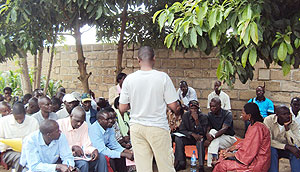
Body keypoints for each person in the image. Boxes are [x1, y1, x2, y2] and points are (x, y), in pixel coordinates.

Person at [119, 46, 181, 172]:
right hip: (158, 127)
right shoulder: (162, 77)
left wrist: (136, 102)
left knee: (143, 167)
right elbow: (174, 106)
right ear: (154, 59)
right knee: (165, 166)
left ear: (138, 60)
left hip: (137, 128)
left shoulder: (129, 79)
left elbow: (122, 108)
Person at [213, 103, 271, 172]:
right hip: (250, 158)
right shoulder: (252, 125)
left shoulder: (257, 128)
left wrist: (232, 155)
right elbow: (247, 141)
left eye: (243, 113)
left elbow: (249, 152)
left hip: (256, 163)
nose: (241, 115)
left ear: (249, 115)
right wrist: (234, 147)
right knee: (223, 155)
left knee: (222, 165)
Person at [57, 106, 108, 172]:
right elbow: (57, 146)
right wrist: (72, 148)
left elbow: (86, 144)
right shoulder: (60, 124)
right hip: (66, 157)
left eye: (81, 121)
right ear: (71, 116)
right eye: (77, 121)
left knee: (101, 157)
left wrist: (93, 150)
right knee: (83, 164)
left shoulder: (84, 125)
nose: (79, 124)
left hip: (81, 156)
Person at [0, 102, 39, 172]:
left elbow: (37, 139)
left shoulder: (33, 121)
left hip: (29, 150)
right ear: (12, 114)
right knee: (21, 158)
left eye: (21, 118)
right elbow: (1, 141)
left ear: (25, 113)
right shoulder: (3, 122)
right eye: (16, 118)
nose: (19, 120)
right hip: (9, 151)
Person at [264, 105, 300, 172]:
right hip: (274, 147)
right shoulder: (268, 120)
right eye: (284, 114)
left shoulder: (293, 124)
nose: (287, 116)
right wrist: (286, 146)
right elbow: (268, 141)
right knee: (271, 151)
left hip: (287, 150)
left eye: (288, 114)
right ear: (277, 115)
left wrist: (287, 129)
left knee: (296, 152)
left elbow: (296, 144)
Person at [174, 100, 208, 172]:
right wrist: (192, 134)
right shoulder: (186, 116)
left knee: (200, 141)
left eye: (195, 109)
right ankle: (181, 162)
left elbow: (203, 131)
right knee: (178, 139)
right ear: (189, 109)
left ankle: (201, 166)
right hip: (189, 137)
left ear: (198, 109)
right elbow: (182, 129)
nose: (194, 110)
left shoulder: (203, 117)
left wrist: (196, 120)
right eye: (192, 108)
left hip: (199, 138)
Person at [206, 97, 236, 167]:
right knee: (213, 133)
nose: (212, 108)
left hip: (229, 138)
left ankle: (211, 162)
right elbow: (208, 127)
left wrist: (212, 137)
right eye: (211, 106)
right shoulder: (210, 114)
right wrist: (207, 134)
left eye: (214, 106)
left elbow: (224, 129)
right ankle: (213, 161)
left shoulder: (227, 114)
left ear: (219, 105)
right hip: (218, 137)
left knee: (215, 140)